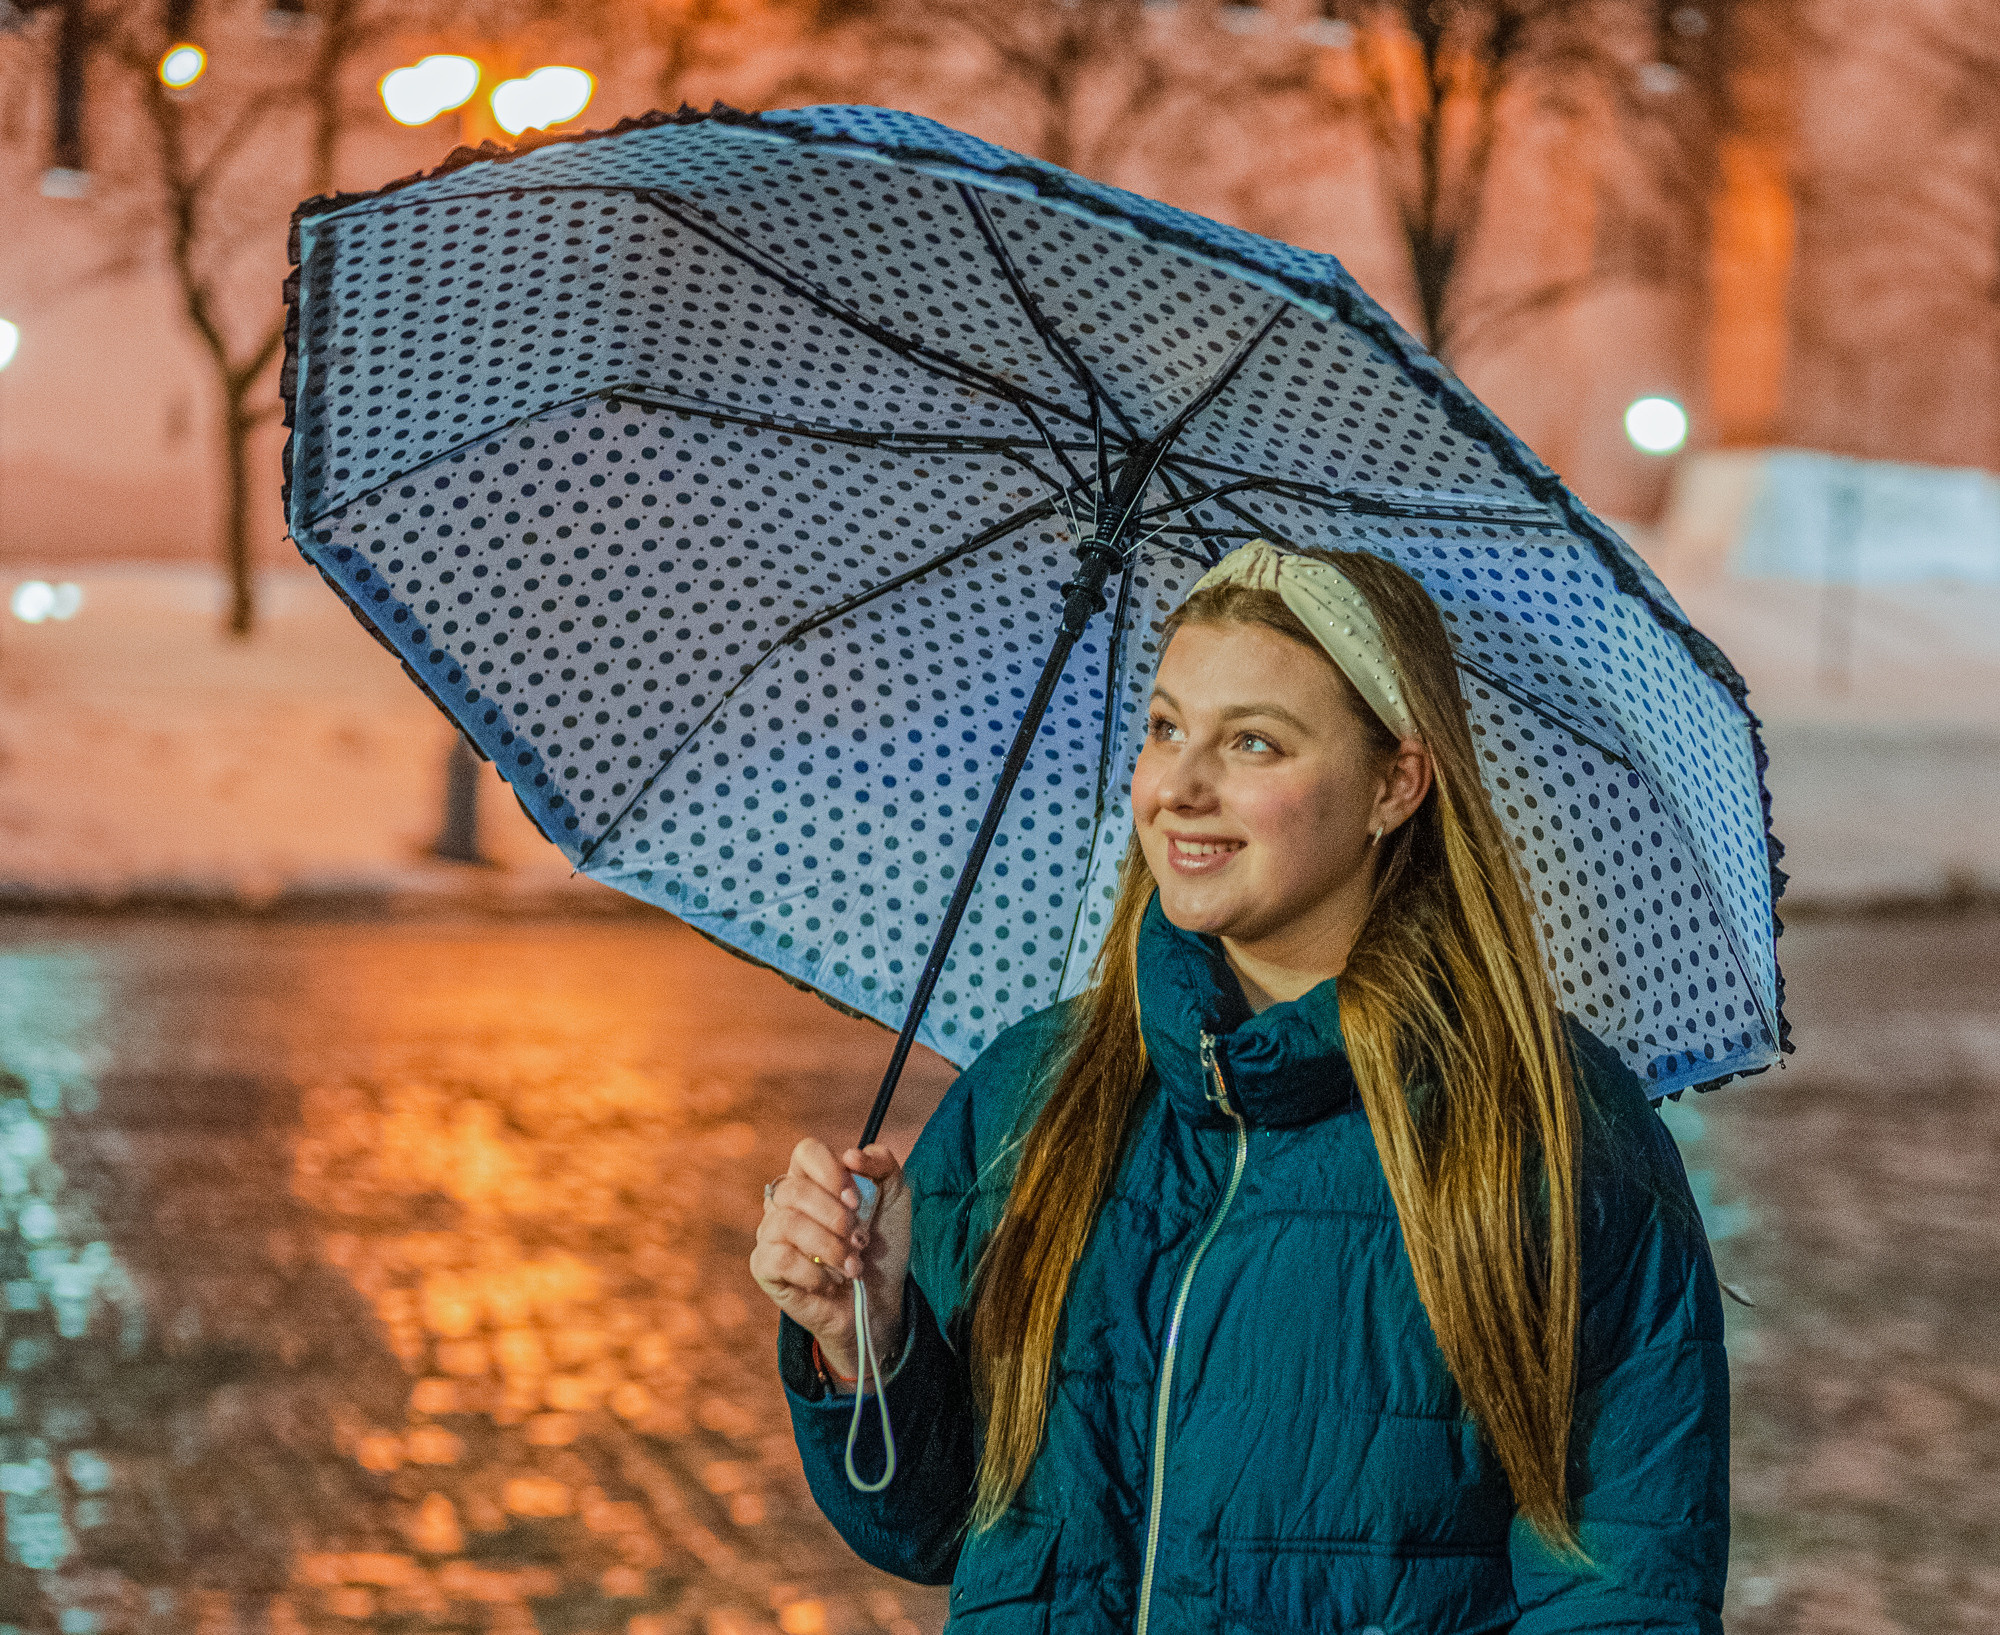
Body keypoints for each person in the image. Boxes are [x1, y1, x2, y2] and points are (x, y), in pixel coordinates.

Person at [751, 539, 1729, 1633]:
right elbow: (929, 1527)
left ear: (1393, 783)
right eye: (1165, 728)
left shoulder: (1547, 1127)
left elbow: (1622, 1597)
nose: (1178, 787)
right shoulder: (1032, 1090)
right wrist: (863, 1340)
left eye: (1251, 742)